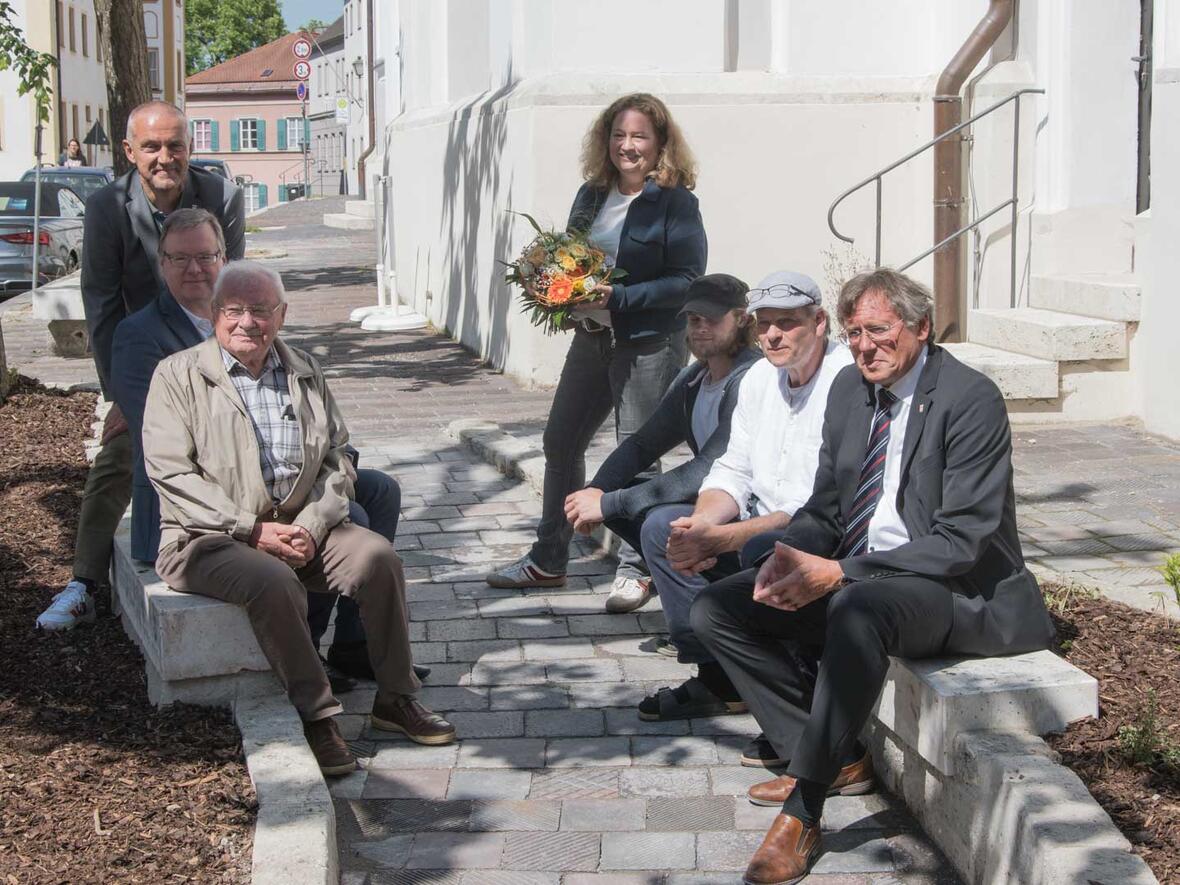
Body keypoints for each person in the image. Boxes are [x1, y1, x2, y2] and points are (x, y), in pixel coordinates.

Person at [689, 268, 1056, 885]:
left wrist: (840, 572)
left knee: (855, 610)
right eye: (855, 333)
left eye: (879, 331)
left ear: (920, 328)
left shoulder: (970, 399)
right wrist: (785, 554)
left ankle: (803, 807)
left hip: (949, 589)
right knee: (719, 609)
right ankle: (835, 754)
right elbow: (828, 509)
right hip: (862, 572)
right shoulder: (849, 392)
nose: (864, 347)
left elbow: (960, 540)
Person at [142, 261, 455, 775]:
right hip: (205, 538)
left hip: (295, 524)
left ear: (281, 315)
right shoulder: (178, 376)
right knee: (273, 582)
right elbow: (172, 475)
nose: (247, 322)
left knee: (377, 557)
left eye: (261, 310)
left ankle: (396, 698)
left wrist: (312, 524)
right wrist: (251, 529)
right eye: (234, 310)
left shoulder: (304, 369)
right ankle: (317, 715)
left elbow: (337, 458)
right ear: (216, 314)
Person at [107, 208, 422, 691]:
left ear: (223, 258)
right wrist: (270, 523)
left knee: (377, 491)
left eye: (206, 256)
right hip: (207, 505)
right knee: (350, 517)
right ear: (162, 263)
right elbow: (168, 454)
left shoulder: (273, 331)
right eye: (181, 258)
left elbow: (322, 434)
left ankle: (357, 645)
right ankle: (310, 648)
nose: (195, 268)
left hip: (274, 482)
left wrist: (322, 482)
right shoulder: (146, 340)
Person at [486, 92, 707, 596]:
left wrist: (620, 297)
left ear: (660, 144)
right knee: (561, 441)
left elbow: (687, 280)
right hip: (592, 338)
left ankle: (638, 567)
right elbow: (570, 259)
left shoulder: (675, 202)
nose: (627, 146)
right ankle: (548, 558)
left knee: (637, 452)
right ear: (605, 139)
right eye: (619, 135)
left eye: (639, 137)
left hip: (648, 342)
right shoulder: (591, 195)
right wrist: (553, 295)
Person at [36, 100, 244, 631]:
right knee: (123, 451)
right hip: (142, 353)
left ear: (189, 147)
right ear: (130, 152)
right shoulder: (108, 207)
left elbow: (234, 294)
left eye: (175, 144)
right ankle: (84, 581)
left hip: (206, 348)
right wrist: (120, 398)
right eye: (151, 146)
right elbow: (102, 305)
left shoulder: (221, 197)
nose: (164, 156)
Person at [628, 271, 851, 740]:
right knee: (661, 527)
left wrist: (723, 537)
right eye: (765, 323)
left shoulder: (843, 381)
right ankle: (717, 677)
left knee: (766, 548)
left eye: (787, 323)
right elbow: (732, 469)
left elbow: (812, 506)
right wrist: (701, 525)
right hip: (759, 524)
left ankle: (795, 699)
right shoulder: (758, 381)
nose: (772, 335)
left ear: (820, 322)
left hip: (821, 537)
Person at [562, 273, 759, 615]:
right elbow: (642, 444)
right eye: (694, 319)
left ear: (741, 319)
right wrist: (596, 491)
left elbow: (709, 465)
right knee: (621, 493)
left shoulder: (753, 378)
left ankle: (703, 623)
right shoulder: (694, 378)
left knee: (644, 514)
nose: (700, 328)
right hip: (711, 502)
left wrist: (609, 503)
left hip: (749, 509)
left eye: (712, 319)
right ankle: (702, 598)